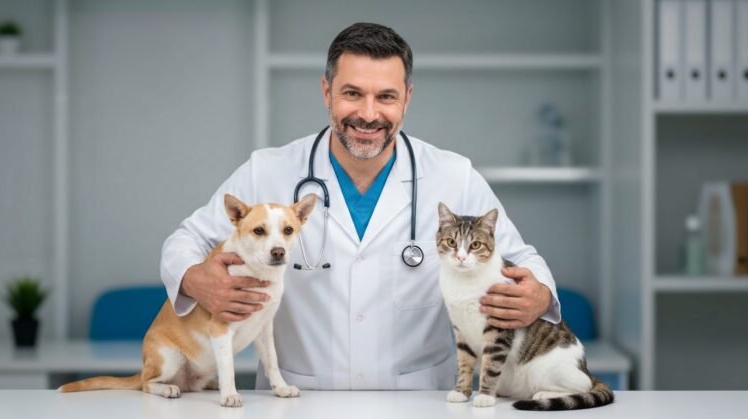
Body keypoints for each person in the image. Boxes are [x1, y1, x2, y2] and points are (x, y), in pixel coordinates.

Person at [160, 22, 560, 390]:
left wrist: (539, 296)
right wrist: (195, 279)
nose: (369, 115)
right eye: (352, 93)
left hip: (420, 401)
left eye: (386, 97)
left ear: (407, 98)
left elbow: (522, 258)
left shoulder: (454, 176)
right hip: (300, 400)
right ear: (326, 92)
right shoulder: (269, 169)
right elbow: (187, 239)